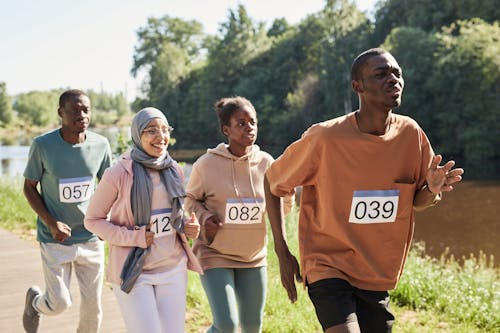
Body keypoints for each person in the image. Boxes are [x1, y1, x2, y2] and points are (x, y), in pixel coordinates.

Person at [264, 48, 464, 333]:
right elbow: (271, 182)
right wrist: (282, 252)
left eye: (397, 73)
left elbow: (417, 202)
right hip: (327, 264)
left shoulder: (411, 134)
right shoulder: (325, 138)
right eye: (381, 74)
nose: (393, 80)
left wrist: (431, 189)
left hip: (375, 271)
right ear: (357, 86)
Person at [84, 107, 202, 333]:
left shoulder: (174, 169)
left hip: (173, 268)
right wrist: (133, 237)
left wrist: (186, 226)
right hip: (135, 272)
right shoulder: (118, 173)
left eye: (164, 130)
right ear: (138, 135)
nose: (161, 137)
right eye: (151, 131)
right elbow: (93, 220)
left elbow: (172, 215)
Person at [185, 96, 292, 333]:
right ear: (226, 130)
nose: (249, 128)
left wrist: (288, 193)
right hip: (214, 253)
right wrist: (204, 217)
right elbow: (189, 200)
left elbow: (281, 210)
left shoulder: (267, 163)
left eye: (252, 122)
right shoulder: (206, 165)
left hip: (253, 256)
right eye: (241, 123)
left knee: (253, 327)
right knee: (227, 325)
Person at [22, 89, 112, 333]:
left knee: (93, 308)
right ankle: (36, 303)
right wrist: (51, 223)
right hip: (55, 239)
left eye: (86, 110)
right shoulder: (42, 145)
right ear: (61, 113)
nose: (82, 115)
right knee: (60, 303)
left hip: (91, 236)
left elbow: (108, 187)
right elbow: (29, 187)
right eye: (75, 110)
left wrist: (107, 220)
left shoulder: (101, 145)